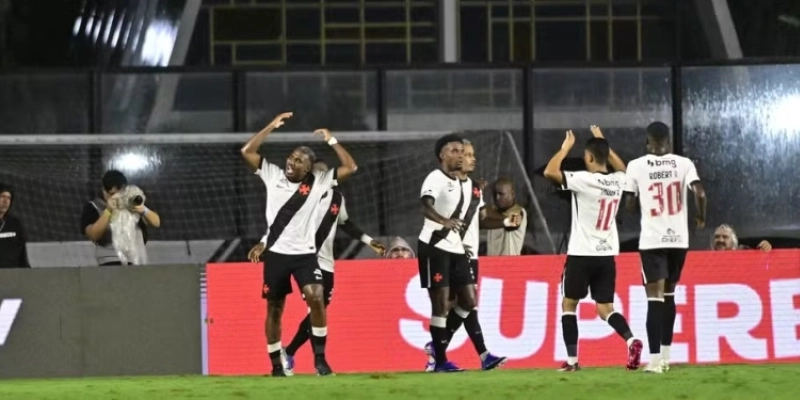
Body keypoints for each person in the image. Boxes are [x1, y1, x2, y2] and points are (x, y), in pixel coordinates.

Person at [243, 113, 357, 377]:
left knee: (317, 298)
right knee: (275, 308)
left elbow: (350, 167)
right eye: (292, 157)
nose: (292, 162)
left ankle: (320, 360)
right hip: (276, 256)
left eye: (299, 161)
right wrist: (271, 127)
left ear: (308, 169)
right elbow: (247, 150)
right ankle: (276, 365)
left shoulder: (317, 183)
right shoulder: (271, 175)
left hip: (305, 255)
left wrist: (333, 141)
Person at [543, 128, 643, 372]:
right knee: (605, 309)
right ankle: (631, 340)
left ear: (588, 158)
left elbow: (550, 172)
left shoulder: (584, 180)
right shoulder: (618, 181)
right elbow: (624, 170)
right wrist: (605, 144)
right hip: (606, 255)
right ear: (606, 156)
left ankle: (572, 361)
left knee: (569, 304)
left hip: (581, 254)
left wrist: (566, 148)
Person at [282, 160, 385, 375]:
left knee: (318, 312)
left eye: (325, 173)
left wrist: (368, 241)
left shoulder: (337, 198)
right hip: (305, 260)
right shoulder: (298, 196)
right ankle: (320, 363)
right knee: (315, 307)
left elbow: (345, 223)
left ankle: (289, 352)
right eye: (317, 173)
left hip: (327, 263)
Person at [623, 122, 706, 373]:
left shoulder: (635, 166)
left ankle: (656, 361)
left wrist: (639, 204)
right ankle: (667, 357)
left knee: (654, 300)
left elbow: (628, 204)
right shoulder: (684, 163)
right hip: (679, 240)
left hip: (653, 240)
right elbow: (700, 193)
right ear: (668, 142)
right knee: (669, 296)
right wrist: (701, 217)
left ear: (648, 143)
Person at [423, 139, 512, 372]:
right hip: (451, 248)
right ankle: (474, 354)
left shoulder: (473, 188)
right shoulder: (440, 180)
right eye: (464, 153)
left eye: (470, 154)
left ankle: (440, 349)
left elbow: (480, 219)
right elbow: (438, 212)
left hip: (463, 251)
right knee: (451, 303)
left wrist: (504, 221)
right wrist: (447, 228)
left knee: (467, 302)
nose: (469, 158)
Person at [416, 133, 472, 372]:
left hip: (455, 248)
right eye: (454, 150)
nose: (459, 154)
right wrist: (443, 221)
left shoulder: (461, 182)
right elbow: (425, 205)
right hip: (434, 247)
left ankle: (437, 345)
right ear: (442, 155)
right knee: (440, 305)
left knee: (469, 301)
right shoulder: (435, 177)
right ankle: (440, 361)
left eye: (461, 151)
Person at [81, 170, 161, 266]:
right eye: (112, 194)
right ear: (104, 191)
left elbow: (156, 222)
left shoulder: (131, 202)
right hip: (110, 261)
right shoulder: (94, 207)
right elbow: (93, 235)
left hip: (135, 260)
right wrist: (108, 211)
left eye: (121, 193)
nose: (118, 197)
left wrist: (143, 210)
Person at [485, 177, 528, 256]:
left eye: (501, 194)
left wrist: (488, 213)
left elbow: (512, 223)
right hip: (491, 263)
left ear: (512, 194)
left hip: (509, 264)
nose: (497, 198)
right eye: (495, 194)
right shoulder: (493, 211)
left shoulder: (518, 210)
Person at [0, 184, 30, 268]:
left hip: (12, 274)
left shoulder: (15, 224)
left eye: (9, 198)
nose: (6, 201)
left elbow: (22, 252)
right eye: (2, 196)